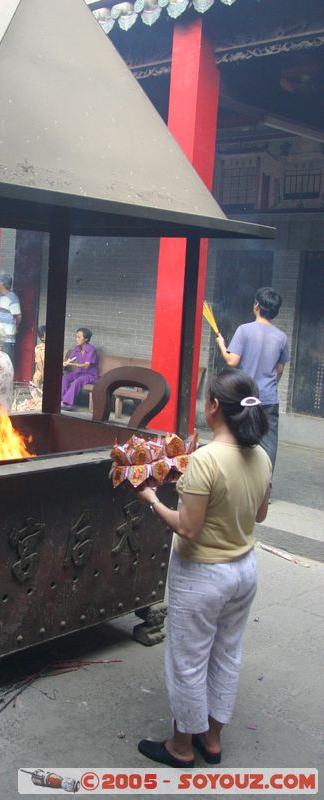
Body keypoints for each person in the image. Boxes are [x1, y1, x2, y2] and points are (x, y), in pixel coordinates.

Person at [135, 368, 270, 768]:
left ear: (213, 407)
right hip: (244, 571)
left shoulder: (206, 460)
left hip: (204, 576)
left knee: (188, 658)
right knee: (227, 654)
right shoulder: (261, 455)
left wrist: (152, 500)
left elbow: (188, 528)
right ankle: (211, 739)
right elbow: (259, 513)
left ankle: (180, 746)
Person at [215, 287, 289, 472]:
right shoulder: (281, 337)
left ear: (256, 306)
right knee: (268, 442)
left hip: (244, 396)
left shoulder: (244, 330)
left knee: (238, 438)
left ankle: (240, 482)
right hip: (268, 397)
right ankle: (264, 487)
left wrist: (222, 345)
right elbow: (279, 370)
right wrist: (270, 386)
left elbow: (232, 361)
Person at [61, 327, 99, 408]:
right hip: (79, 373)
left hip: (90, 375)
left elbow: (86, 365)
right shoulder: (76, 348)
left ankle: (67, 404)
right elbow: (70, 360)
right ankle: (62, 400)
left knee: (77, 382)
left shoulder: (91, 349)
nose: (76, 339)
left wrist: (73, 365)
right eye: (76, 337)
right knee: (65, 378)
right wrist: (65, 363)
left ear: (86, 339)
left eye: (79, 337)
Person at [0, 273, 21, 367]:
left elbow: (18, 316)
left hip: (7, 338)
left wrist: (16, 327)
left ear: (2, 283)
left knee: (8, 364)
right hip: (0, 337)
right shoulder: (2, 297)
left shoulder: (12, 298)